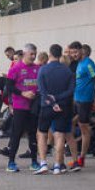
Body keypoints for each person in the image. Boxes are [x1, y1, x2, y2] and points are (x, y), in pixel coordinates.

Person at [35, 44, 76, 175]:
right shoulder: (67, 71)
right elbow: (71, 91)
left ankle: (43, 163)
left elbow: (42, 90)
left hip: (46, 106)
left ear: (50, 54)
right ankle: (58, 165)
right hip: (63, 106)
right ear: (60, 55)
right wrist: (58, 99)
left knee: (42, 133)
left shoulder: (43, 70)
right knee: (60, 135)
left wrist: (52, 101)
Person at [3, 44, 41, 173]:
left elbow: (40, 85)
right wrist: (23, 93)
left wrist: (37, 94)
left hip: (33, 107)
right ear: (24, 53)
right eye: (31, 54)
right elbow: (9, 86)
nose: (34, 56)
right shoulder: (16, 67)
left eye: (35, 54)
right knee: (17, 133)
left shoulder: (37, 68)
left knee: (32, 134)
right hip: (20, 106)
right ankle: (11, 162)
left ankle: (34, 161)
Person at [68, 41, 95, 169]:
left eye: (75, 52)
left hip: (85, 101)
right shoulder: (78, 63)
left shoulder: (88, 63)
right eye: (71, 53)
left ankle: (81, 158)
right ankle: (75, 155)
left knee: (84, 129)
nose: (74, 55)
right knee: (71, 124)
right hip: (76, 99)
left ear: (81, 50)